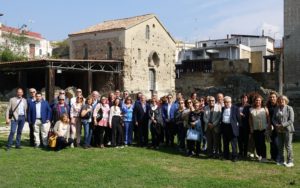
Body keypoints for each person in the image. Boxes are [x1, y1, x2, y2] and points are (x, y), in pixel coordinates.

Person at [272, 95, 295, 167]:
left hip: (288, 130)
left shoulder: (289, 108)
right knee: (280, 146)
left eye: (282, 100)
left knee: (288, 146)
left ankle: (290, 161)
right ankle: (281, 160)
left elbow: (291, 120)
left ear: (285, 100)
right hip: (279, 130)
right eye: (279, 100)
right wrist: (276, 124)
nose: (281, 101)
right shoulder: (276, 108)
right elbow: (273, 118)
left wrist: (282, 125)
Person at [249, 95, 271, 162]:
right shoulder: (251, 109)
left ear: (261, 101)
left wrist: (268, 126)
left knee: (262, 143)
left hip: (263, 128)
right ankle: (259, 156)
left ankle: (264, 157)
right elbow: (250, 120)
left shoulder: (265, 108)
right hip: (255, 129)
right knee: (257, 143)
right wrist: (251, 128)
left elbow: (268, 118)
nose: (258, 101)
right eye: (256, 100)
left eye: (259, 100)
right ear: (254, 101)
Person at [220, 96, 239, 162]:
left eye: (227, 102)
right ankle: (226, 156)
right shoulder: (222, 108)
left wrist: (237, 128)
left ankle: (234, 157)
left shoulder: (235, 108)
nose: (226, 103)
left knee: (233, 144)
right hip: (225, 127)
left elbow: (238, 119)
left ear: (230, 102)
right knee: (225, 143)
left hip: (232, 128)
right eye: (225, 102)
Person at [236, 94, 251, 159]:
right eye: (242, 98)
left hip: (246, 126)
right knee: (239, 140)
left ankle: (245, 153)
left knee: (246, 140)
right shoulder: (237, 105)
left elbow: (250, 116)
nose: (243, 99)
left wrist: (243, 115)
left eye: (245, 98)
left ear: (247, 99)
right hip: (238, 126)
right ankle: (240, 152)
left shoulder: (249, 106)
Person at [267, 91, 279, 162]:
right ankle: (273, 157)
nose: (272, 98)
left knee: (276, 143)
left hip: (277, 126)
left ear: (276, 98)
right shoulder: (268, 106)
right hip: (270, 126)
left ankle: (278, 157)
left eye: (273, 97)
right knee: (272, 142)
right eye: (271, 97)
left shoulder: (278, 106)